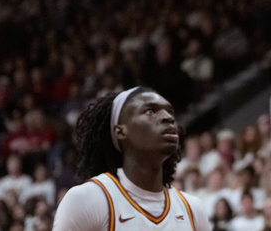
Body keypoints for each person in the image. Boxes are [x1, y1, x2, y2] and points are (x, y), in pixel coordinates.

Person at [53, 87, 210, 231]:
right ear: (120, 131)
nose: (168, 117)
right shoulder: (87, 199)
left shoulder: (193, 209)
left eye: (170, 112)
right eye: (150, 111)